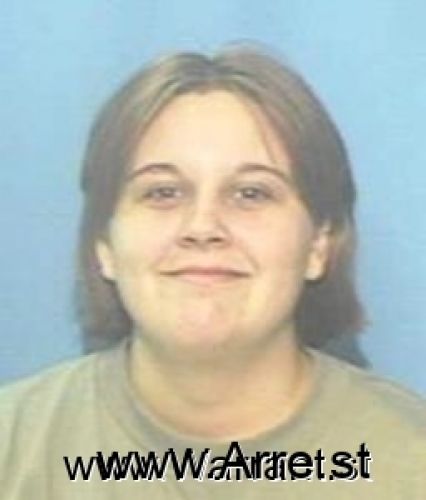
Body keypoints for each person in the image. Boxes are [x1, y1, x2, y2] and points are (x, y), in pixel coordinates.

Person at [1, 45, 425, 499]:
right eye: (163, 192)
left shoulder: (410, 460)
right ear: (103, 243)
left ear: (319, 245)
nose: (203, 227)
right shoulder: (13, 447)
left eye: (251, 193)